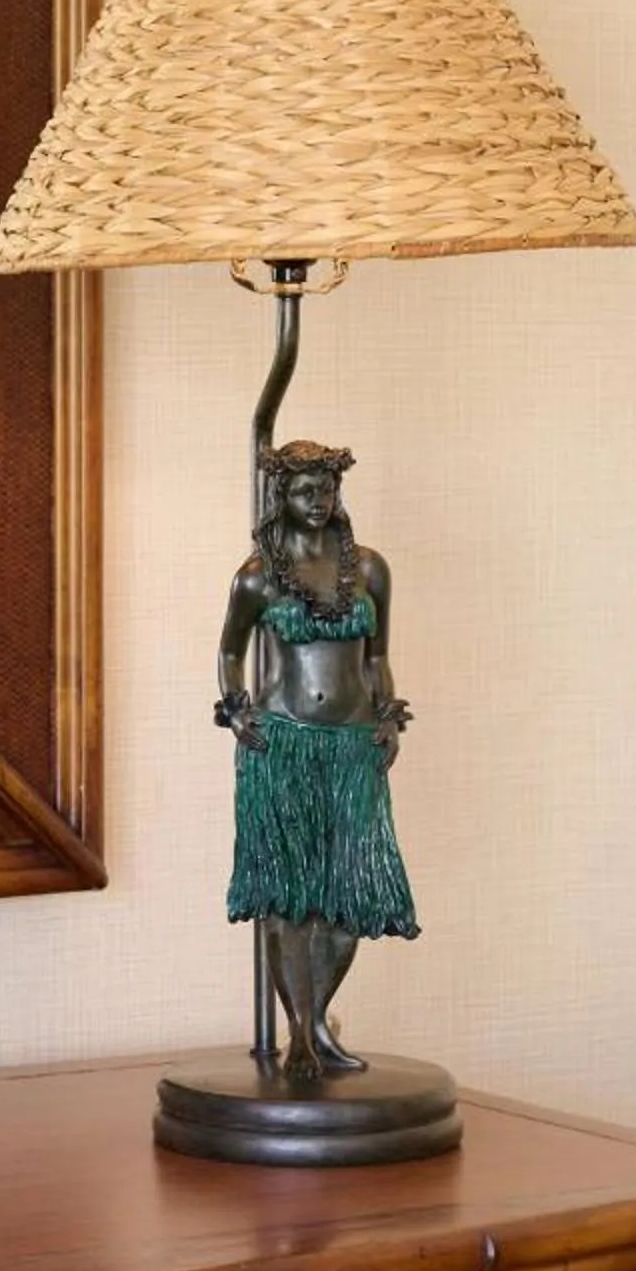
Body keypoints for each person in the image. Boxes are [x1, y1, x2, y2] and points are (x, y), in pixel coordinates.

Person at [212, 440, 416, 1079]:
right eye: (304, 491)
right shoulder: (257, 576)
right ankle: (296, 1031)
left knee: (344, 895)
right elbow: (228, 650)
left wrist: (387, 719)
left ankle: (318, 1020)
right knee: (289, 896)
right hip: (285, 744)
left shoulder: (369, 570)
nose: (318, 501)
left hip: (353, 744)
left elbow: (377, 658)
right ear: (282, 497)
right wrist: (236, 708)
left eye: (326, 490)